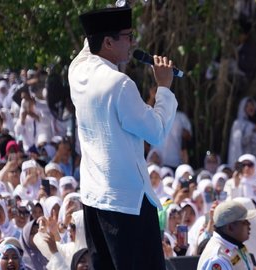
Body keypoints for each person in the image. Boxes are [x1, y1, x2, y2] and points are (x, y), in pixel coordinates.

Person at [69, 6, 178, 269]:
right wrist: (164, 87)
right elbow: (156, 131)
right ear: (107, 42)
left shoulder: (77, 69)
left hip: (94, 201)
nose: (133, 42)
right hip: (128, 205)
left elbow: (90, 41)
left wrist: (118, 11)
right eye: (128, 36)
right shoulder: (120, 84)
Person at [197, 200, 256, 270]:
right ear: (230, 227)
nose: (249, 224)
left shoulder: (233, 245)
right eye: (244, 222)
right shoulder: (218, 258)